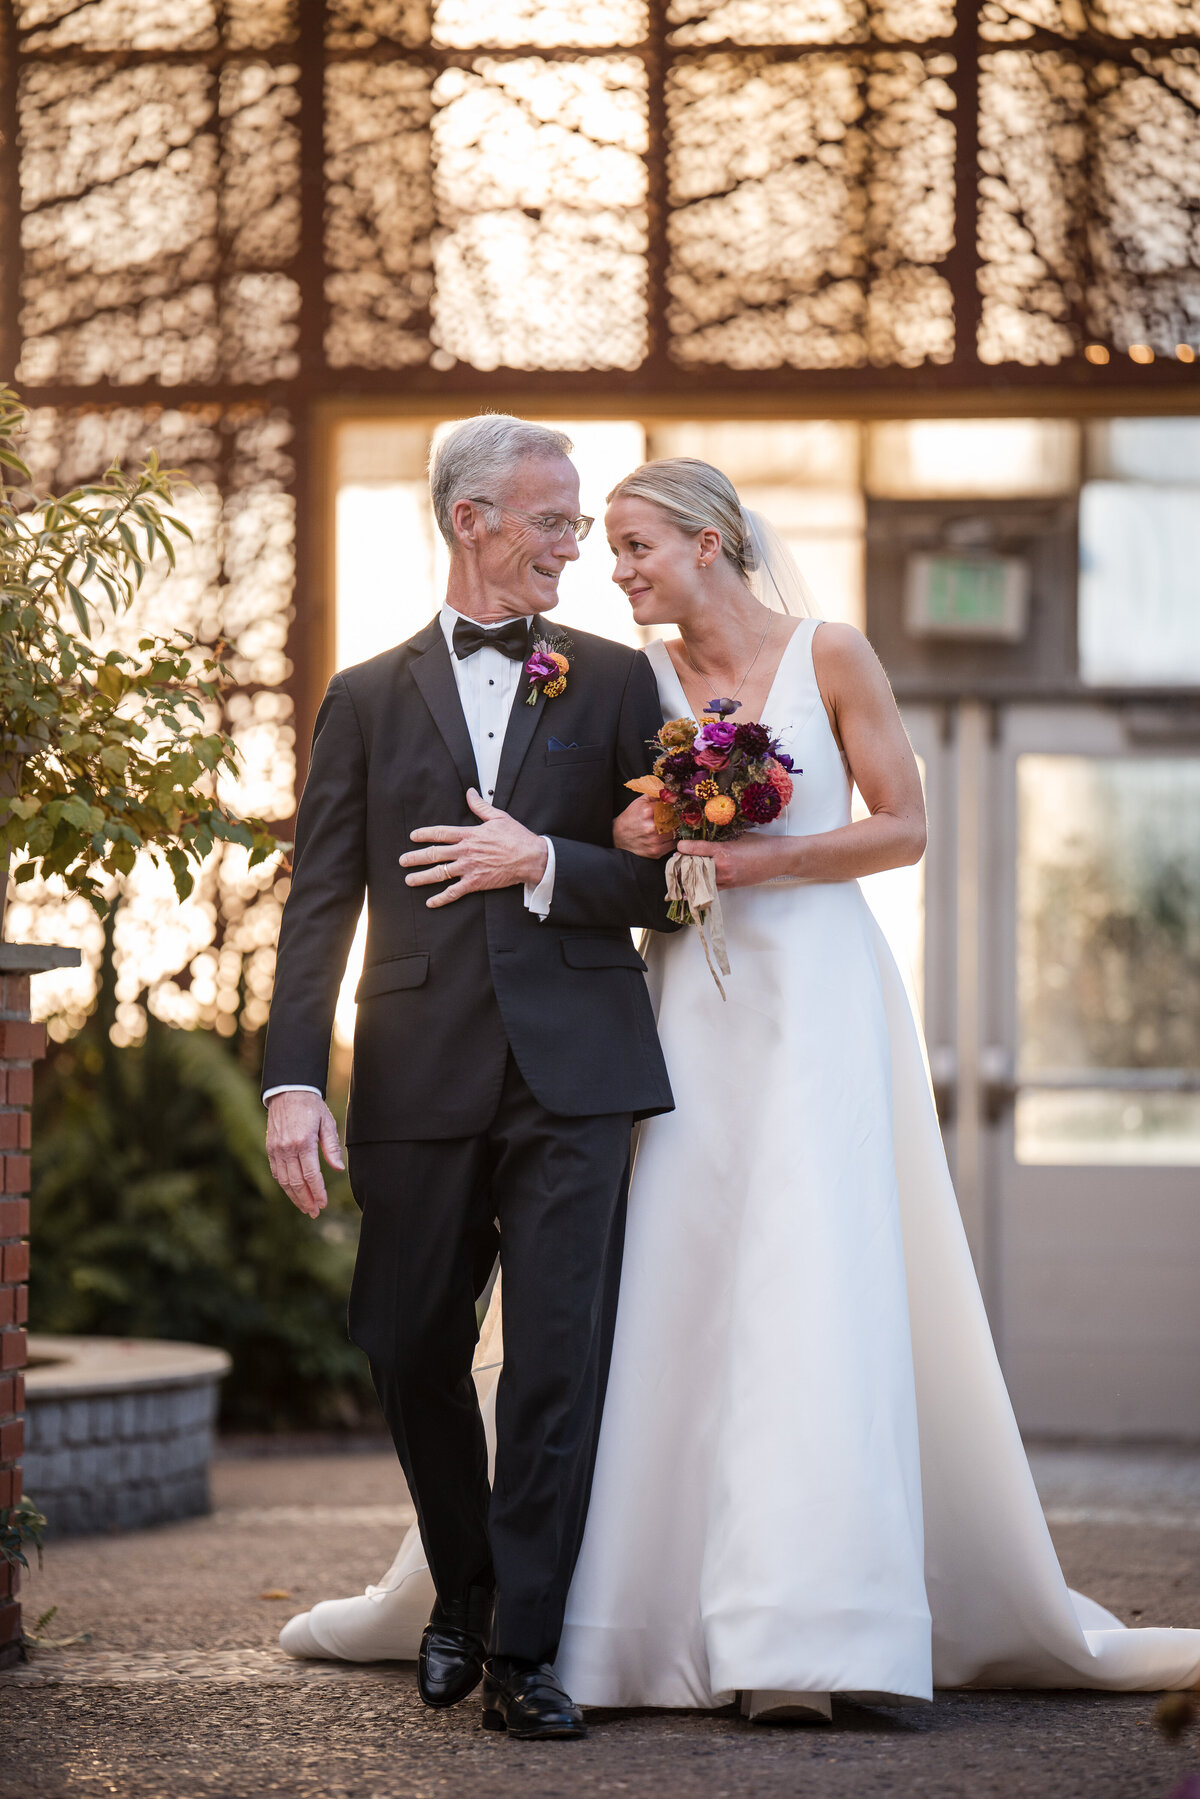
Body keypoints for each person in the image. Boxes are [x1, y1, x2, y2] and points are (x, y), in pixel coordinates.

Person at [281, 456, 1200, 1718]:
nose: (609, 563)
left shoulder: (809, 655)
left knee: (785, 1290)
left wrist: (719, 855)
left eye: (628, 540)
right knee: (642, 1294)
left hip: (803, 996)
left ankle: (758, 1627)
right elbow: (616, 852)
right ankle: (542, 1602)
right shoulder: (620, 680)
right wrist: (638, 840)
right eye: (585, 536)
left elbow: (899, 824)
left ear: (711, 542)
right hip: (674, 1016)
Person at [262, 415, 677, 1742]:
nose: (578, 546)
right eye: (553, 521)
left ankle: (527, 1649)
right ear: (471, 522)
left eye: (580, 523)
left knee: (557, 1359)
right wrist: (290, 1076)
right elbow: (320, 895)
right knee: (407, 1341)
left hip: (580, 1070)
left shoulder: (620, 680)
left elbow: (674, 881)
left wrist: (543, 863)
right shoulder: (367, 695)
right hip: (414, 1067)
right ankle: (466, 1583)